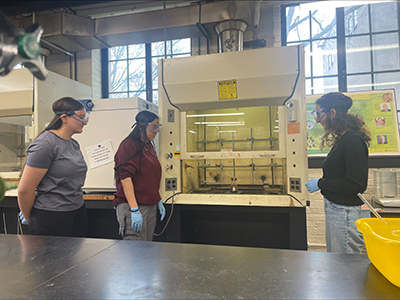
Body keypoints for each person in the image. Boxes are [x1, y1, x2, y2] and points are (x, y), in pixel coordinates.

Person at [306, 92, 371, 254]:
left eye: (320, 113)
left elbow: (356, 184)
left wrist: (320, 183)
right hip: (337, 209)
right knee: (336, 263)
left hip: (345, 213)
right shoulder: (343, 139)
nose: (318, 119)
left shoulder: (352, 140)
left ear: (333, 113)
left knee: (345, 268)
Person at [18, 97, 89, 237]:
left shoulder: (73, 144)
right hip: (52, 215)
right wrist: (28, 217)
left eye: (85, 117)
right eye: (80, 117)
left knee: (77, 258)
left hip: (76, 209)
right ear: (64, 117)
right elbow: (24, 190)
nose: (84, 122)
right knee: (53, 259)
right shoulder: (45, 144)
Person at [113, 110, 165, 241]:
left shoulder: (148, 146)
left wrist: (157, 198)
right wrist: (134, 209)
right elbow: (125, 178)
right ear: (141, 126)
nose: (155, 132)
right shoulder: (130, 145)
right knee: (135, 252)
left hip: (149, 205)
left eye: (158, 128)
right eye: (153, 127)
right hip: (133, 206)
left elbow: (149, 177)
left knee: (147, 248)